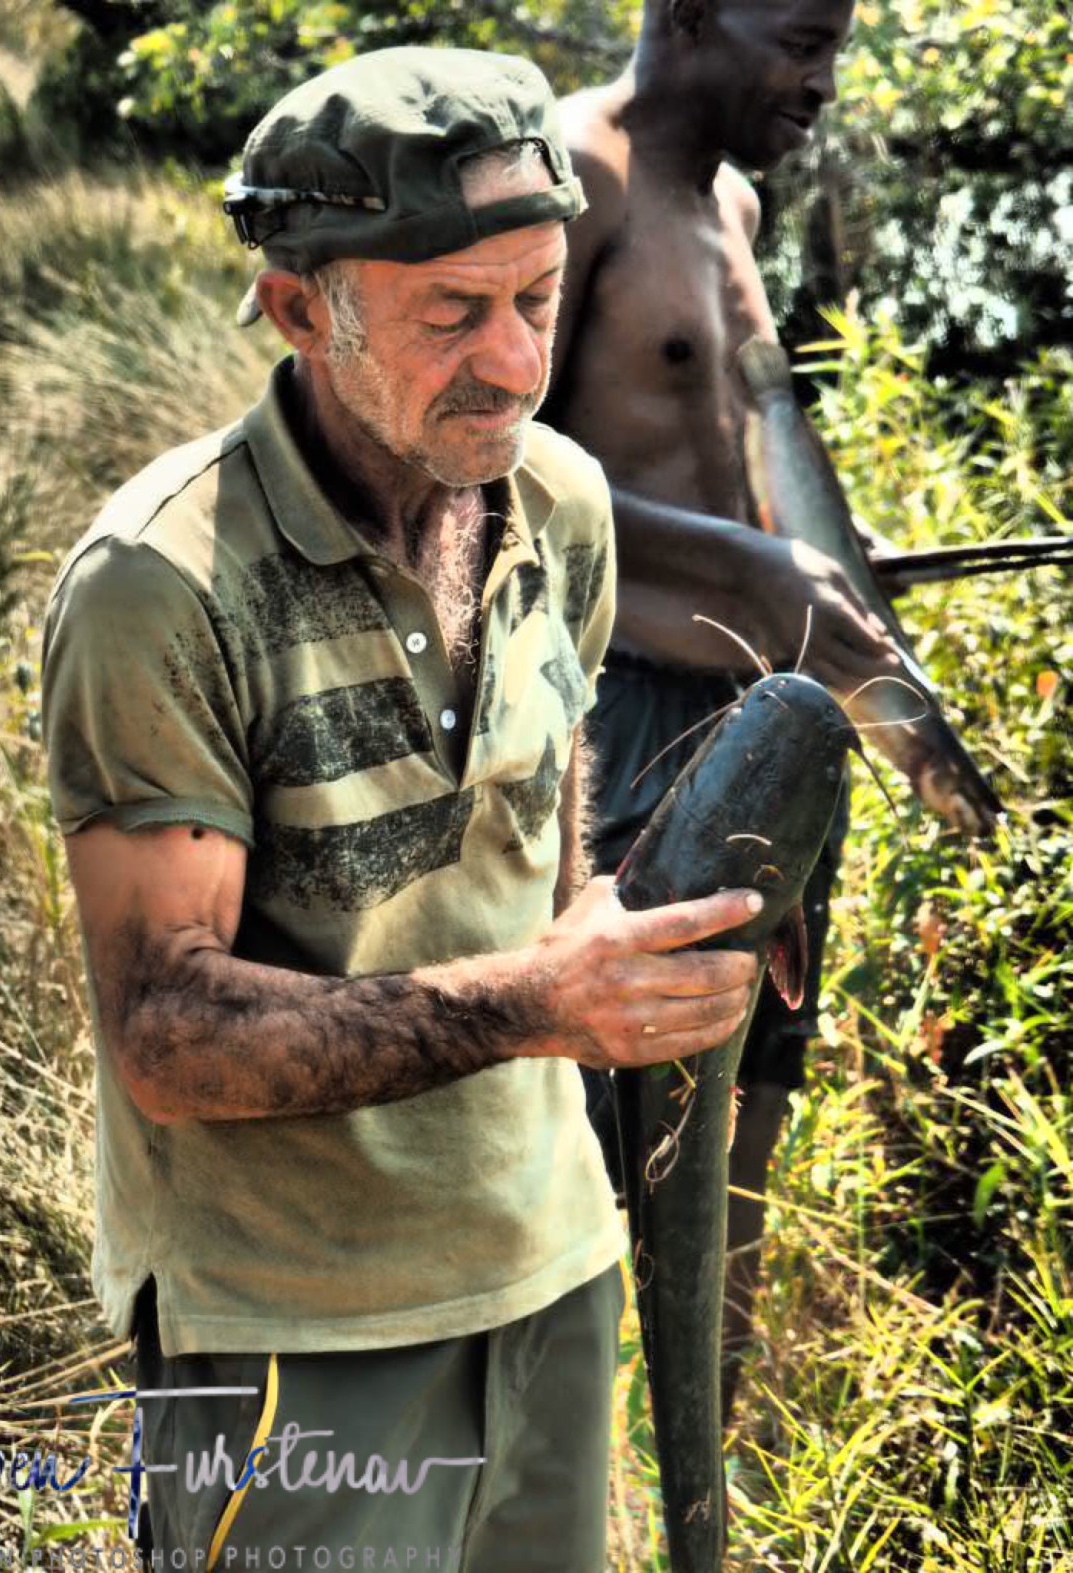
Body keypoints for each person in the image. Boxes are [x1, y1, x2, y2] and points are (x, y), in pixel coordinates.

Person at [41, 47, 765, 1571]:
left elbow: (542, 828)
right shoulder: (159, 587)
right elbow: (165, 1036)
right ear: (304, 308)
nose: (514, 361)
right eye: (453, 314)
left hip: (553, 1276)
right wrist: (536, 999)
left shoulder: (557, 502)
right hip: (295, 1338)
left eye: (540, 300)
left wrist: (628, 936)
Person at [542, 0, 901, 1418]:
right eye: (801, 38)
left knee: (751, 1091)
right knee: (603, 1117)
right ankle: (565, 1467)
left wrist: (836, 600)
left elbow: (745, 456)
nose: (823, 79)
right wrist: (751, 569)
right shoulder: (571, 180)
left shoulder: (733, 201)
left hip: (778, 719)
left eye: (838, 45)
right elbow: (493, 471)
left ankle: (705, 1451)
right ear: (688, 12)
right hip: (626, 727)